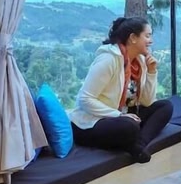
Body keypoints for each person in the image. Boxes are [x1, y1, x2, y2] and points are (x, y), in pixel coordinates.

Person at [69, 16, 173, 163]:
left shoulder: (140, 61)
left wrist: (151, 71)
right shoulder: (108, 60)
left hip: (121, 114)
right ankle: (133, 143)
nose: (151, 41)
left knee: (165, 106)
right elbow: (85, 99)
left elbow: (147, 101)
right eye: (147, 36)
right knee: (129, 126)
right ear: (133, 38)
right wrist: (118, 115)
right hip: (92, 121)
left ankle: (138, 145)